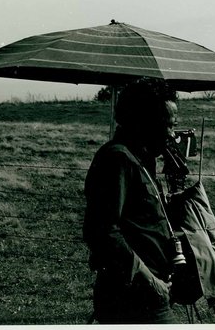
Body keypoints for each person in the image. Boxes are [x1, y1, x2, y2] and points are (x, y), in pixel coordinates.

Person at [83, 78, 180, 324]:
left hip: (148, 293)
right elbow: (103, 232)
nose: (172, 134)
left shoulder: (141, 159)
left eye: (174, 125)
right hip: (133, 296)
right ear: (142, 122)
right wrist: (150, 280)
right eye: (166, 125)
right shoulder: (118, 160)